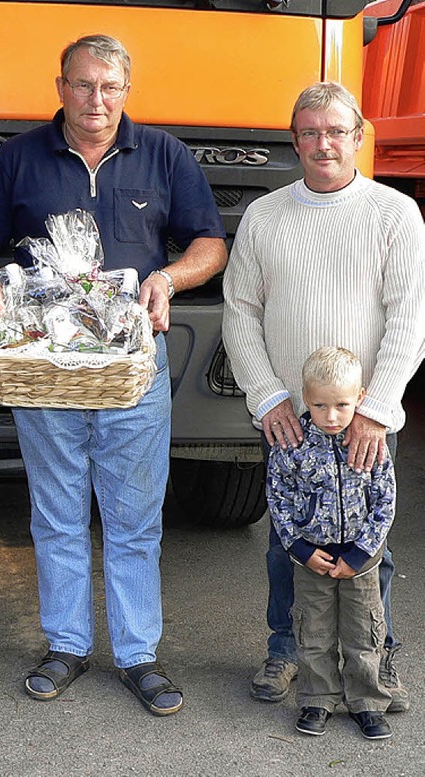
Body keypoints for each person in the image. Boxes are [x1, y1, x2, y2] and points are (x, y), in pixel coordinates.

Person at [0, 34, 227, 715]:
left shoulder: (164, 154)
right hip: (46, 372)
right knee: (56, 514)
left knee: (134, 518)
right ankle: (67, 644)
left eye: (109, 87)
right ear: (60, 87)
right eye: (83, 85)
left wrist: (168, 278)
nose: (96, 100)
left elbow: (210, 243)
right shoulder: (18, 159)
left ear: (126, 90)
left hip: (131, 373)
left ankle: (138, 653)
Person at [223, 81, 425, 711]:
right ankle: (286, 650)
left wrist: (374, 410)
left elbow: (408, 319)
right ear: (294, 141)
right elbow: (240, 312)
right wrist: (268, 398)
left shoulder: (394, 214)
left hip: (362, 418)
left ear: (358, 137)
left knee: (371, 548)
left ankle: (375, 658)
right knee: (290, 542)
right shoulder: (265, 216)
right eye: (309, 132)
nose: (323, 143)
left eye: (336, 131)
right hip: (292, 418)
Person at [268, 347, 395, 739]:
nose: (332, 416)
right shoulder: (292, 447)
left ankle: (367, 702)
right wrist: (301, 550)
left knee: (363, 632)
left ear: (360, 397)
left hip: (361, 560)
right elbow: (278, 499)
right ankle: (317, 699)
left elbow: (386, 501)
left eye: (341, 404)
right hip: (313, 559)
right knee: (314, 633)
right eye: (320, 405)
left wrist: (360, 554)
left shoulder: (372, 445)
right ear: (305, 399)